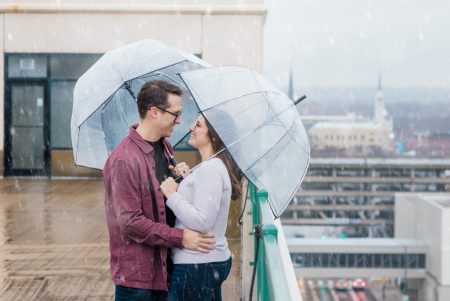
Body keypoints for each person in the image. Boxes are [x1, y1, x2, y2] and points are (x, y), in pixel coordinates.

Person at [103, 80, 216, 301]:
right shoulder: (124, 160)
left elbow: (160, 198)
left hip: (165, 267)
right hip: (138, 279)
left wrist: (180, 180)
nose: (180, 120)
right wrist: (181, 237)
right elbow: (131, 223)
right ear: (154, 112)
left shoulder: (165, 146)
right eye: (175, 113)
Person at [160, 114, 244, 301]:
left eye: (197, 125)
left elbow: (203, 220)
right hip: (208, 263)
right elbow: (203, 201)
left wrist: (172, 194)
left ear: (213, 135)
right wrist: (188, 178)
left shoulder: (210, 169)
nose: (191, 127)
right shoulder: (212, 166)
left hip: (196, 265)